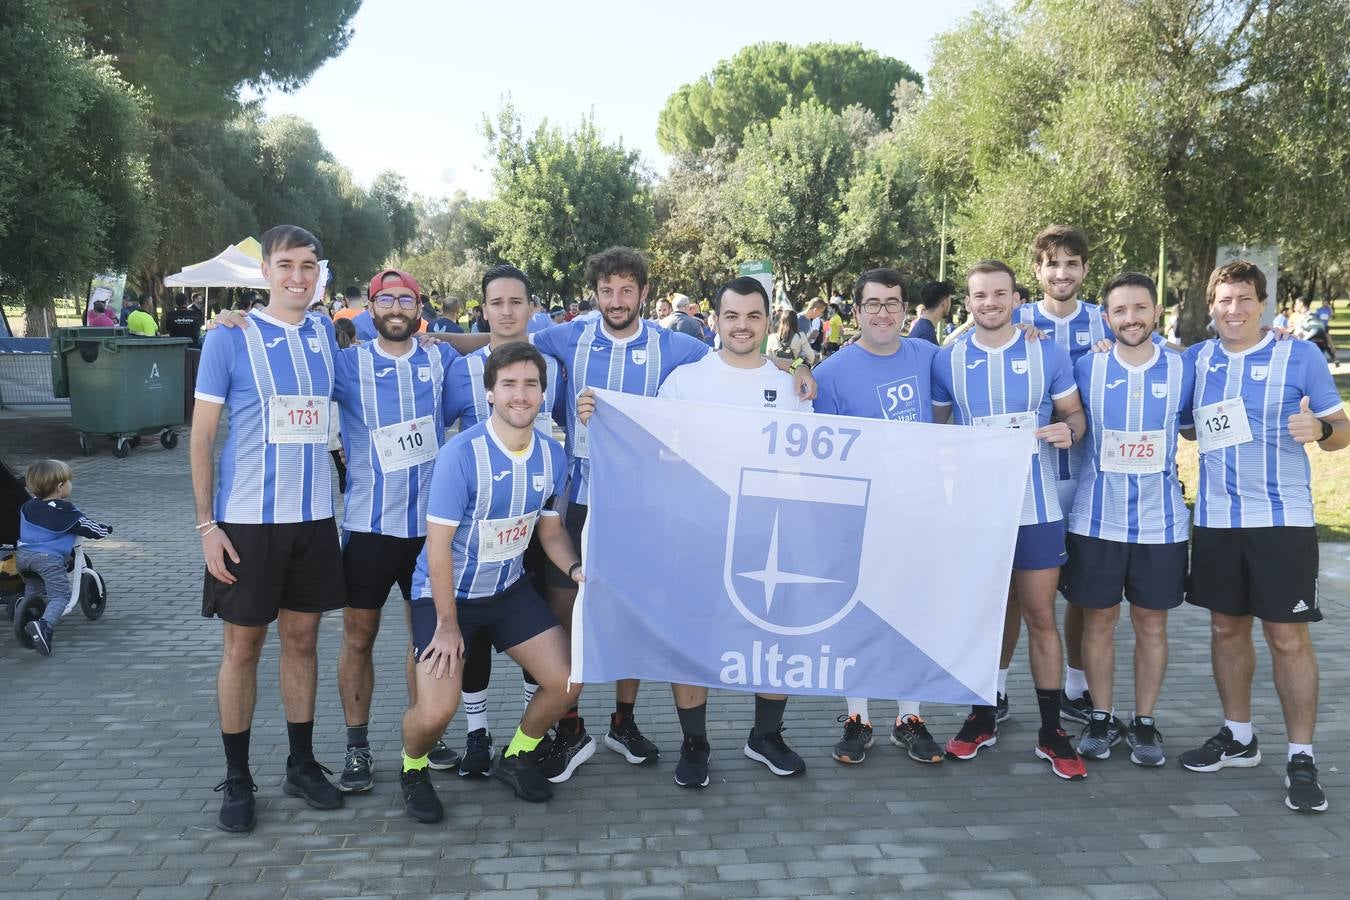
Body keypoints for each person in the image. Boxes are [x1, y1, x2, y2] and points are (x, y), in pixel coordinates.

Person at [191, 225, 347, 834]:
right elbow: (202, 439)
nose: (298, 277)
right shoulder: (230, 338)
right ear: (265, 272)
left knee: (303, 642)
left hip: (312, 518)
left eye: (309, 266)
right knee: (243, 647)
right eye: (286, 265)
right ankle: (237, 775)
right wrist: (207, 525)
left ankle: (302, 764)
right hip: (248, 524)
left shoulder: (324, 335)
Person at [1179, 260, 1348, 814]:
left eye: (1245, 299)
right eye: (1224, 300)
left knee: (1287, 638)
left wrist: (1321, 430)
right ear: (1212, 305)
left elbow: (1340, 431)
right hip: (1217, 520)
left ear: (1263, 302)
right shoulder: (1196, 360)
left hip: (1283, 522)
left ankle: (1302, 754)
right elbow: (1178, 416)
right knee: (1226, 629)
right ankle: (1239, 736)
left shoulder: (1298, 355)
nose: (1235, 310)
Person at [399, 341, 585, 818]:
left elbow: (549, 528)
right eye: (509, 385)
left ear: (544, 393)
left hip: (507, 590)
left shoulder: (552, 455)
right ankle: (412, 767)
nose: (520, 395)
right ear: (489, 393)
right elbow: (436, 548)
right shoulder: (460, 456)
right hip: (446, 598)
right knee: (436, 712)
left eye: (530, 385)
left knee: (568, 681)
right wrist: (446, 623)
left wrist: (576, 570)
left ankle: (517, 756)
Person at [933, 258, 1088, 781]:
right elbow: (934, 434)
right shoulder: (948, 359)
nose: (990, 304)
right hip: (979, 512)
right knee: (989, 614)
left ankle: (1052, 732)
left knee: (1040, 615)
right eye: (980, 296)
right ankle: (982, 716)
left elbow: (1075, 416)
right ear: (967, 301)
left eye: (1000, 294)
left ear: (1015, 298)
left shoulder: (1046, 351)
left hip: (1036, 507)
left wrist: (1070, 430)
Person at [654, 276, 813, 787]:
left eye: (753, 316)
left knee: (774, 640)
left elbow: (807, 456)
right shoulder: (685, 382)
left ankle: (765, 736)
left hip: (770, 536)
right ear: (715, 320)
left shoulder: (793, 383)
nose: (742, 326)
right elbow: (652, 446)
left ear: (768, 321)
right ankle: (695, 742)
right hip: (699, 533)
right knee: (693, 639)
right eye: (731, 316)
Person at [812, 268, 946, 767]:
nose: (883, 313)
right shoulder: (831, 374)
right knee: (859, 616)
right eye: (873, 304)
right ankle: (857, 717)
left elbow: (978, 367)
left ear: (905, 308)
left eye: (892, 303)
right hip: (860, 518)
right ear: (857, 310)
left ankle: (909, 717)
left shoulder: (931, 357)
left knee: (911, 616)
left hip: (917, 511)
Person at [443, 264, 569, 781]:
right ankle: (477, 734)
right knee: (472, 635)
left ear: (531, 307)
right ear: (485, 309)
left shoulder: (554, 365)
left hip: (531, 518)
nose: (508, 312)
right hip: (473, 528)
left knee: (529, 621)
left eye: (517, 302)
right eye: (497, 303)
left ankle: (526, 736)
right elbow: (437, 432)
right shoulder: (459, 370)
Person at [1063, 272, 1193, 766]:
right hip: (1097, 520)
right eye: (1119, 311)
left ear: (1156, 312)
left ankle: (1144, 724)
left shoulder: (1185, 367)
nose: (1130, 318)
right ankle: (1100, 717)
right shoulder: (1086, 367)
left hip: (1161, 523)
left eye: (1140, 308)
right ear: (1106, 317)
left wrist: (1275, 334)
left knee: (1151, 626)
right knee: (1097, 622)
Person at [1001, 226, 1112, 727]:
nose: (1062, 273)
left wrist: (1273, 333)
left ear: (1085, 270)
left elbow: (1161, 359)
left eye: (1072, 264)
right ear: (1038, 271)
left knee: (1082, 592)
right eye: (1053, 264)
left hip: (1089, 477)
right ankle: (995, 688)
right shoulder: (1012, 317)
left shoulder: (1108, 322)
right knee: (1011, 591)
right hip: (1027, 483)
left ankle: (1075, 685)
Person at [16, 460, 112, 656]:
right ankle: (44, 626)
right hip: (47, 559)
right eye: (69, 481)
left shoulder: (28, 506)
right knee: (60, 596)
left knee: (33, 589)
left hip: (23, 557)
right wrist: (104, 530)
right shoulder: (65, 510)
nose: (70, 484)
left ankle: (26, 613)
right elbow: (87, 527)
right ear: (60, 487)